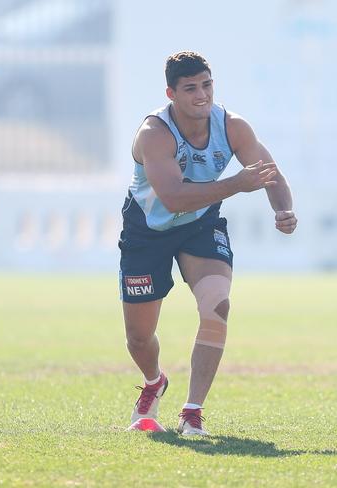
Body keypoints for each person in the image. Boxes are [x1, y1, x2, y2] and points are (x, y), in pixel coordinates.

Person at [118, 51, 297, 435]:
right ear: (171, 93)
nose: (202, 95)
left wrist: (283, 210)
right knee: (138, 336)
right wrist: (235, 184)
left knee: (217, 304)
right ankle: (154, 382)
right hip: (147, 230)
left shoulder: (232, 126)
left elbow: (269, 172)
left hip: (200, 225)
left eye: (207, 85)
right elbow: (173, 198)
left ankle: (192, 411)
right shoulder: (154, 133)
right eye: (191, 89)